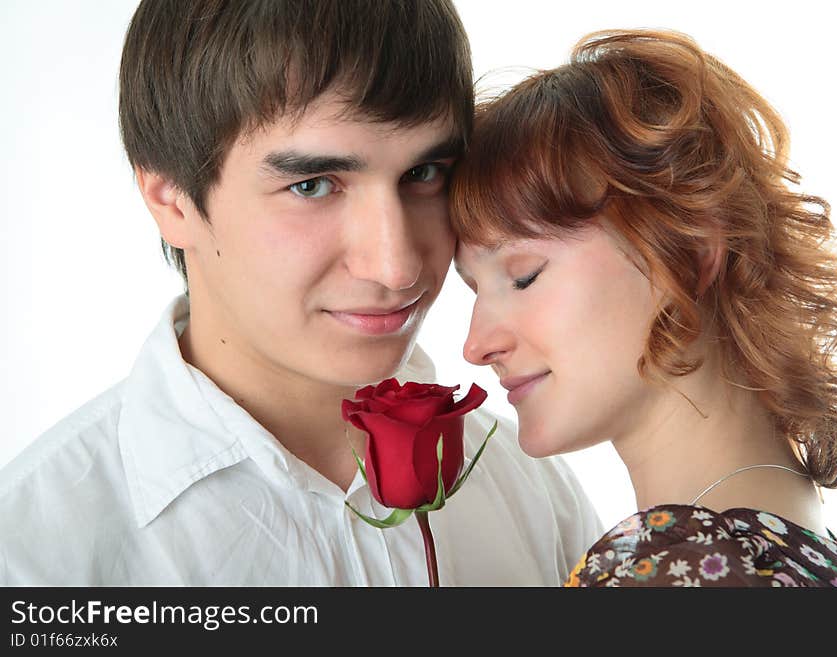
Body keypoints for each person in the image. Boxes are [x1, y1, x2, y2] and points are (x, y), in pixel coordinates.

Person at [0, 0, 602, 586]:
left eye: (424, 174)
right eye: (313, 185)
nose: (396, 267)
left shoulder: (529, 488)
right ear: (171, 198)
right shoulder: (37, 552)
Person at [450, 29, 837, 587]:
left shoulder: (677, 571)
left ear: (689, 251)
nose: (476, 345)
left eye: (524, 277)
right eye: (473, 289)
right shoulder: (795, 546)